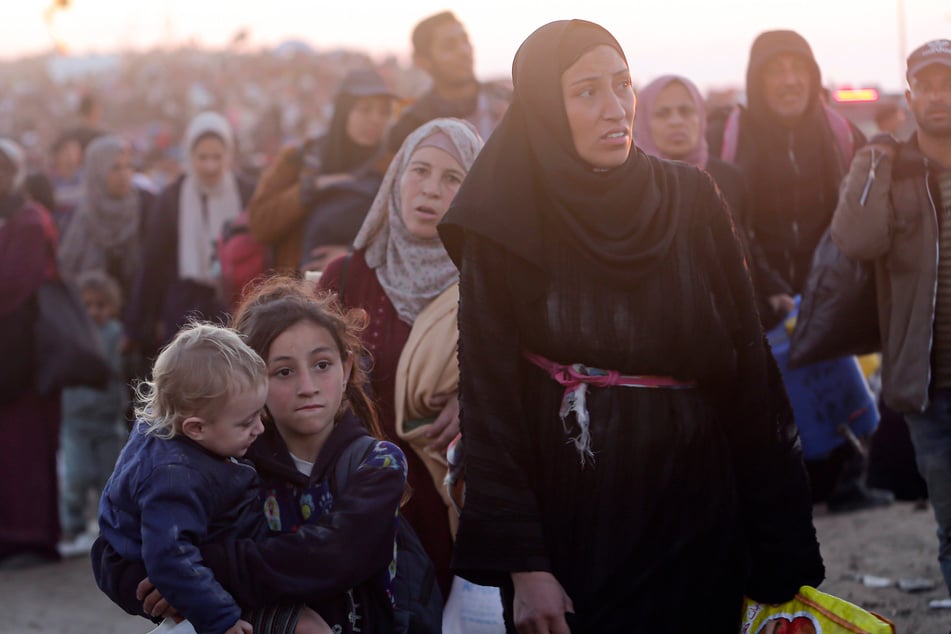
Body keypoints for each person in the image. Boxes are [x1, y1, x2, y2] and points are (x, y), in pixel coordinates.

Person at [437, 20, 824, 632]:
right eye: (586, 91)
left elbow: (748, 375)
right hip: (576, 520)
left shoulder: (692, 199)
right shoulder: (506, 225)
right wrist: (525, 564)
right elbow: (491, 402)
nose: (615, 108)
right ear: (544, 106)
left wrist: (780, 539)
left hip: (701, 508)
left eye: (622, 84)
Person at [93, 277, 409, 633]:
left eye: (322, 364)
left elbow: (333, 558)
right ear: (245, 379)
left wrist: (190, 569)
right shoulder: (222, 456)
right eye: (284, 371)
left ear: (347, 367)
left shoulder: (378, 463)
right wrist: (167, 584)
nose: (308, 387)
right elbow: (114, 548)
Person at [715, 29, 891, 512]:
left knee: (846, 380)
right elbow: (728, 217)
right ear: (757, 80)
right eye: (776, 71)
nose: (789, 81)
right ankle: (786, 496)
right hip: (759, 289)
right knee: (772, 396)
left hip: (832, 285)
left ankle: (850, 482)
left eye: (798, 70)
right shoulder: (732, 137)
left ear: (813, 76)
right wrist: (765, 283)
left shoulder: (840, 133)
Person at [318, 117, 483, 597]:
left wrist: (476, 403)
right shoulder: (345, 277)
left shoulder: (487, 284)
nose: (431, 189)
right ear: (396, 178)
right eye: (420, 170)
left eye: (453, 178)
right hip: (355, 512)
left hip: (449, 517)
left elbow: (521, 382)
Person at [97, 321, 330, 634]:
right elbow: (171, 556)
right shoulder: (173, 477)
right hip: (189, 587)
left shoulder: (183, 435)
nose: (259, 429)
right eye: (247, 422)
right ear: (196, 428)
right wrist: (221, 620)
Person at [830, 38, 951, 599]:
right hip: (928, 387)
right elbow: (855, 239)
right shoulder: (891, 167)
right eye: (926, 85)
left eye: (947, 82)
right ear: (910, 95)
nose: (938, 96)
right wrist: (872, 162)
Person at [634, 74, 777, 302]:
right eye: (662, 113)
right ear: (643, 121)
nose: (676, 121)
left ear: (701, 116)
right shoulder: (633, 185)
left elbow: (745, 243)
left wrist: (773, 291)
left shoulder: (729, 178)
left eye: (686, 111)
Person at [124, 111, 255, 353]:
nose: (210, 166)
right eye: (202, 157)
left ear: (229, 155)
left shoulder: (247, 192)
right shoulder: (171, 199)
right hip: (184, 307)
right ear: (190, 155)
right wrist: (141, 321)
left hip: (236, 305)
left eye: (218, 156)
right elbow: (153, 261)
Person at [247, 69, 397, 273]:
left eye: (384, 112)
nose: (375, 119)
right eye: (365, 109)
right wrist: (310, 188)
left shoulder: (390, 168)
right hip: (295, 290)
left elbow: (398, 239)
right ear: (343, 111)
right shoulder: (298, 158)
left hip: (358, 295)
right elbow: (259, 225)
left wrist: (350, 256)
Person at [0, 138, 63, 569]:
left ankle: (30, 536)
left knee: (27, 445)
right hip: (12, 351)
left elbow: (12, 287)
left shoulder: (28, 221)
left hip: (24, 354)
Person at [57, 270, 127, 557]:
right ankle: (71, 524)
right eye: (88, 305)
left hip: (108, 419)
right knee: (75, 475)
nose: (94, 311)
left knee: (108, 478)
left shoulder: (116, 334)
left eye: (101, 305)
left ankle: (106, 527)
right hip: (75, 421)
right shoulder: (70, 335)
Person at [386, 11, 509, 152]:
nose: (464, 51)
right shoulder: (410, 129)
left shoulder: (509, 104)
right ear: (422, 61)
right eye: (449, 46)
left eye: (465, 41)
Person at [58, 134, 153, 305]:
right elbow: (66, 269)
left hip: (137, 307)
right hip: (90, 310)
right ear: (97, 170)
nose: (124, 174)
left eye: (128, 166)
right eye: (115, 168)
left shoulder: (145, 207)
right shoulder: (79, 214)